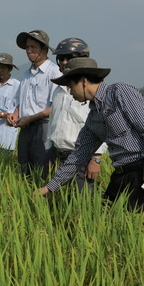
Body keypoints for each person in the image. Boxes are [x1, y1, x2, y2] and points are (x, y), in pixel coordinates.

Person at [35, 57, 144, 213]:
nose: (70, 92)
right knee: (105, 217)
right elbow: (78, 156)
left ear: (83, 81)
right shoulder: (93, 117)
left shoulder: (119, 92)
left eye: (70, 86)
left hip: (142, 170)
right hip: (120, 173)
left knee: (139, 224)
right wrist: (50, 187)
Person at [46, 38, 107, 194]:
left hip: (82, 158)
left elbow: (102, 127)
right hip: (59, 156)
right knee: (60, 200)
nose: (64, 62)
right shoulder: (58, 91)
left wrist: (96, 158)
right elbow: (53, 121)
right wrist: (49, 150)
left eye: (70, 57)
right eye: (61, 58)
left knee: (82, 201)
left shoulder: (92, 92)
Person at [7, 30, 61, 177]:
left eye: (33, 47)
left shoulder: (54, 73)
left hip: (43, 127)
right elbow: (21, 101)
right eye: (27, 47)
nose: (29, 51)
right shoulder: (26, 74)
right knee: (24, 166)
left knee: (42, 168)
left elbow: (55, 107)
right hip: (25, 127)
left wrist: (29, 118)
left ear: (44, 49)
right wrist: (15, 114)